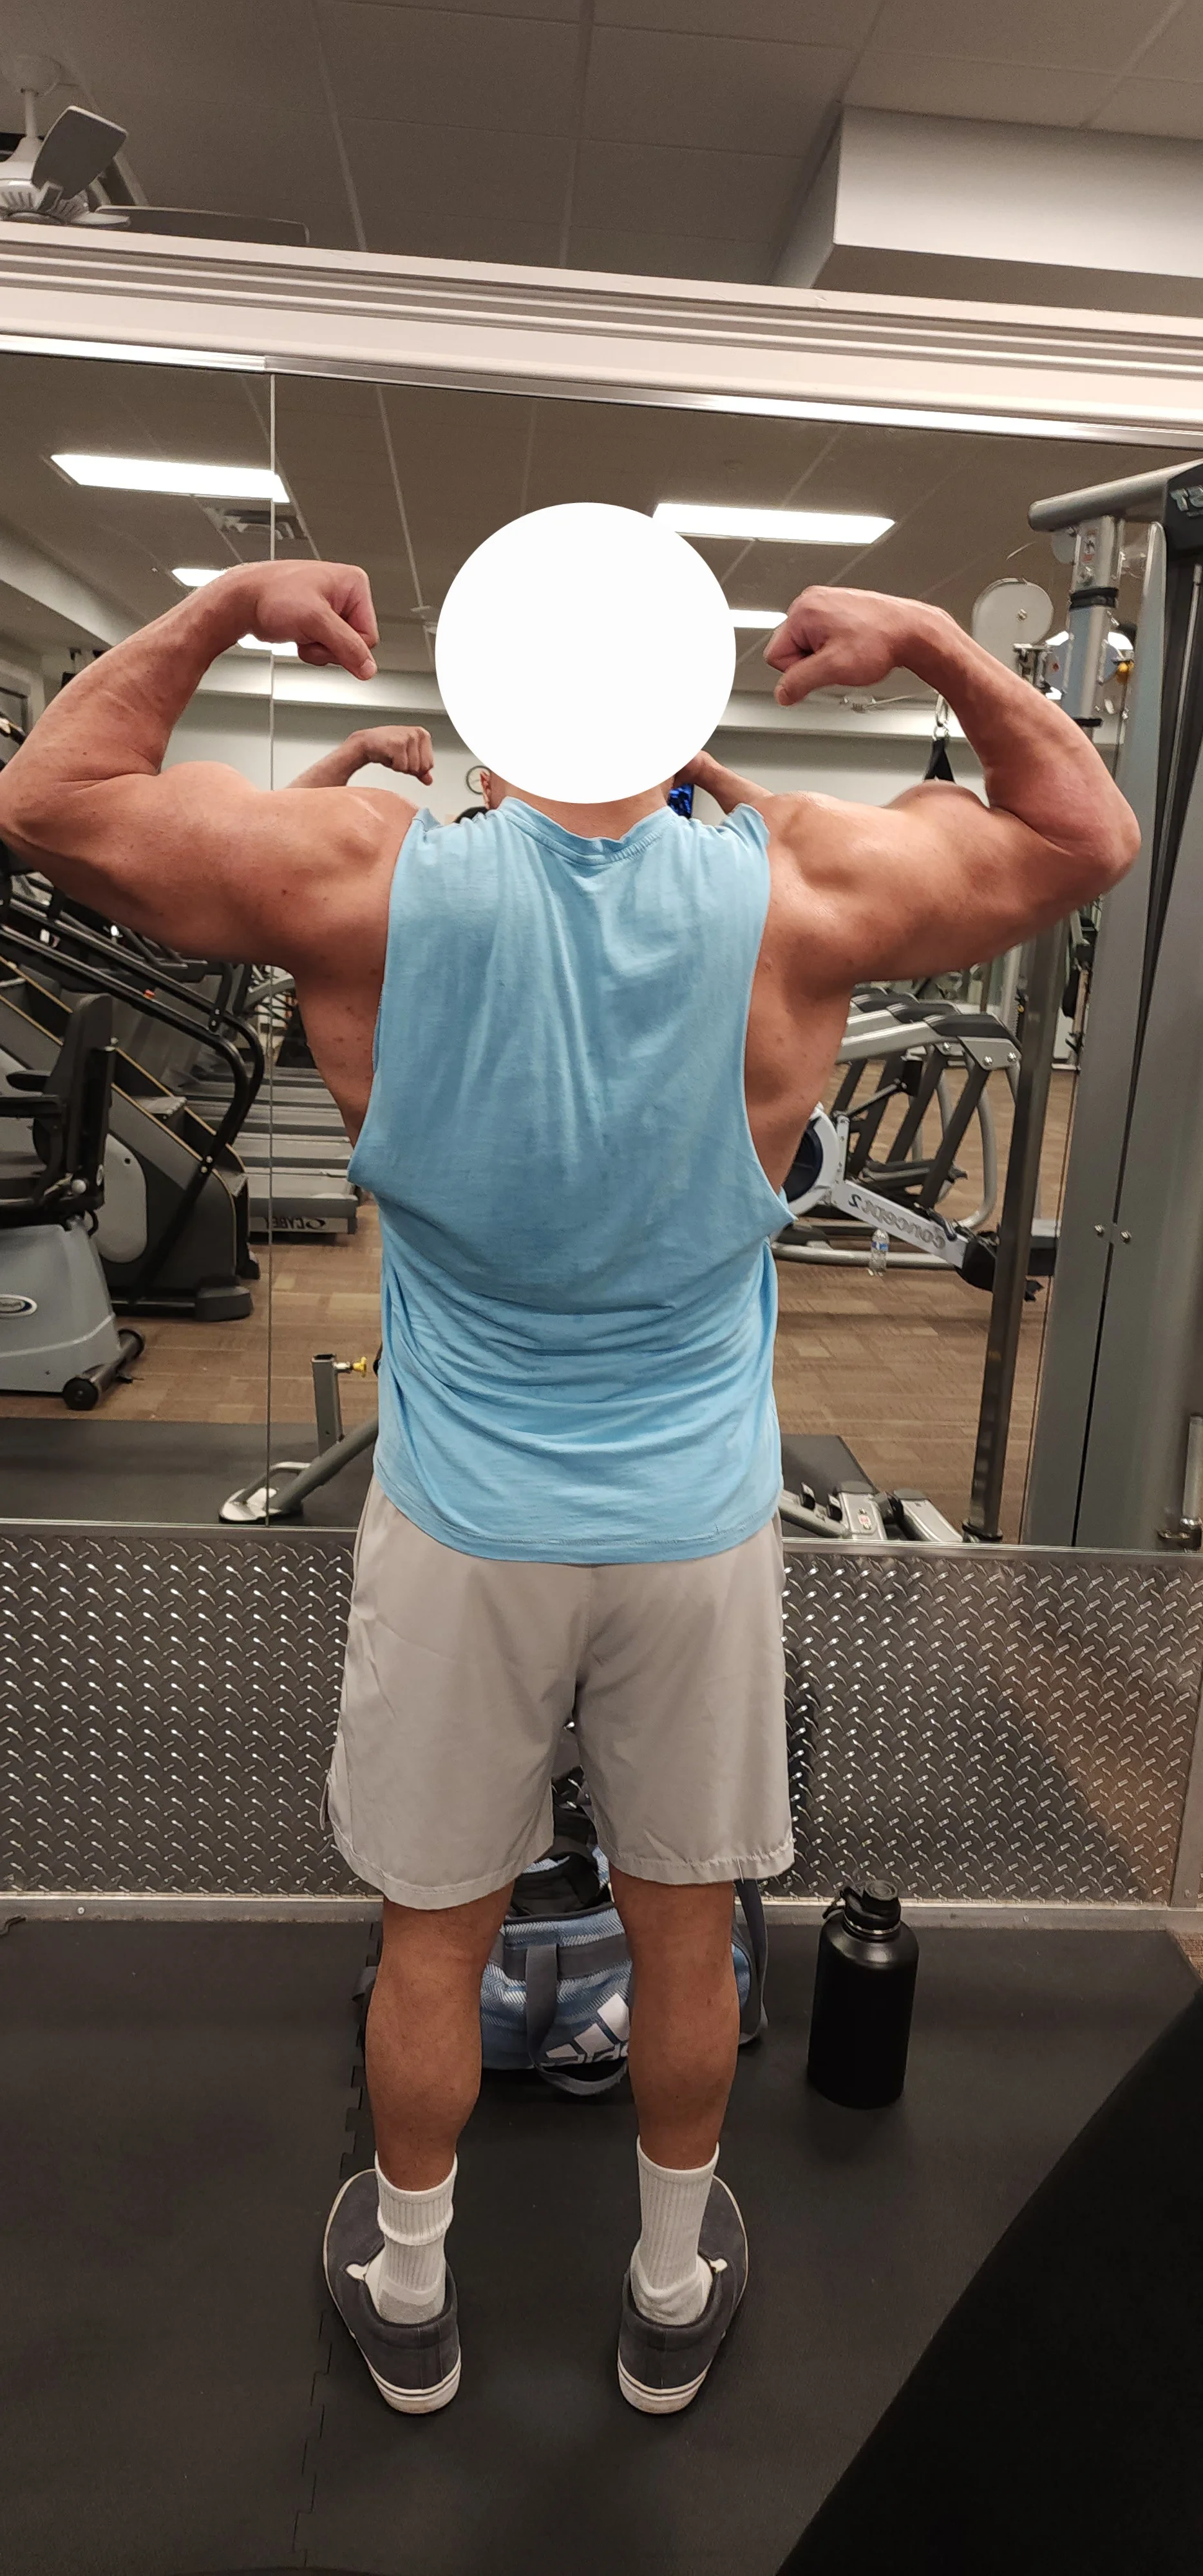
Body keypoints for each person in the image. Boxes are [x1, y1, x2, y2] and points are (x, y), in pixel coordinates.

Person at [0, 556, 1139, 2420]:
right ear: (677, 708)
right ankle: (668, 2286)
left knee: (433, 1937)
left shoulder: (364, 875)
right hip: (693, 1532)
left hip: (466, 1527)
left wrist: (224, 610)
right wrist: (938, 643)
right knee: (685, 1930)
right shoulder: (800, 883)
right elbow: (1086, 835)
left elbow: (51, 801)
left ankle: (414, 2284)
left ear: (491, 705)